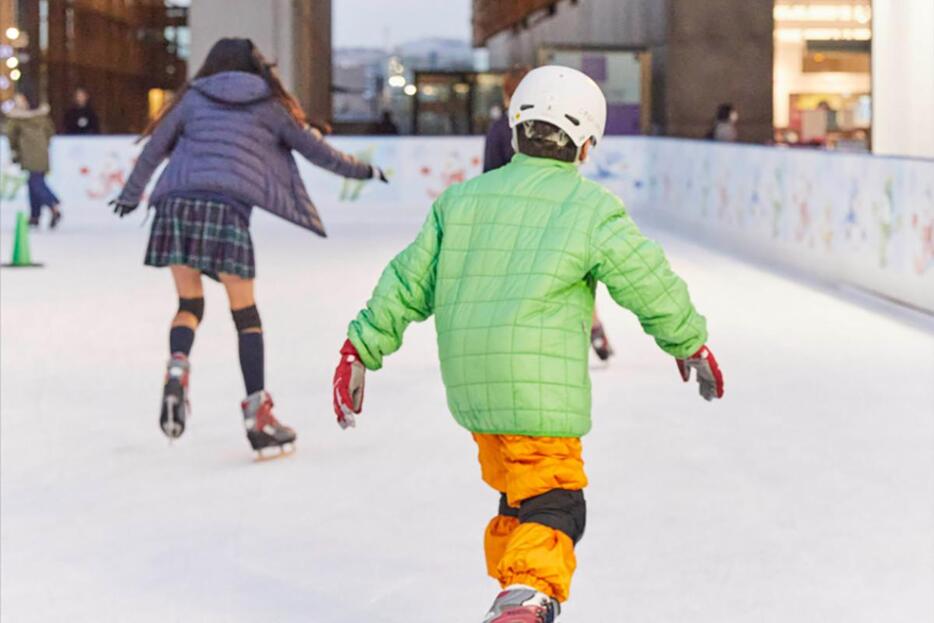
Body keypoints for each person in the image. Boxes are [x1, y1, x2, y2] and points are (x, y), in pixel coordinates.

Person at [332, 66, 724, 621]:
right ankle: (523, 601)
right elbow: (648, 279)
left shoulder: (460, 201)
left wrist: (359, 348)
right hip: (538, 395)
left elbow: (408, 281)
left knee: (521, 497)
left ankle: (515, 595)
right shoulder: (591, 208)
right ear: (587, 144)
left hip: (473, 391)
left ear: (515, 127)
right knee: (558, 501)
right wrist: (689, 343)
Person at [112, 38, 385, 456]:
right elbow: (318, 151)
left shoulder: (192, 97)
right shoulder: (270, 105)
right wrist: (364, 170)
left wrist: (131, 195)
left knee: (190, 304)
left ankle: (177, 370)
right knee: (245, 315)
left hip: (175, 204)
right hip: (224, 211)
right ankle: (257, 413)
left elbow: (155, 148)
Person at [485, 64, 615, 362]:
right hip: (556, 217)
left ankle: (523, 339)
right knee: (574, 273)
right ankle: (593, 327)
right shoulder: (554, 125)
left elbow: (490, 178)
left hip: (515, 220)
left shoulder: (501, 129)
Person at [6, 93, 63, 228]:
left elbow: (12, 137)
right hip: (42, 154)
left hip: (28, 155)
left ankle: (53, 205)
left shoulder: (17, 119)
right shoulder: (42, 118)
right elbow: (50, 132)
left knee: (35, 182)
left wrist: (16, 153)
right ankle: (35, 216)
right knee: (34, 183)